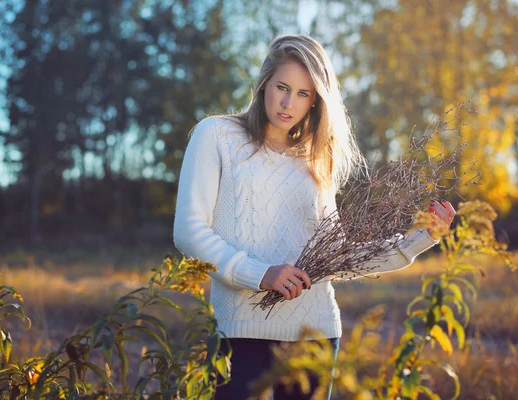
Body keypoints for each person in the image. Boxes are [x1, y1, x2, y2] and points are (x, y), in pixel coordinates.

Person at [173, 34, 456, 400]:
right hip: (239, 331)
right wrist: (260, 273)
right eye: (282, 87)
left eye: (304, 94)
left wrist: (421, 237)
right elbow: (189, 231)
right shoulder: (217, 135)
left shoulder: (315, 160)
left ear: (315, 102)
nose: (288, 103)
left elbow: (339, 259)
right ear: (264, 84)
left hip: (315, 334)